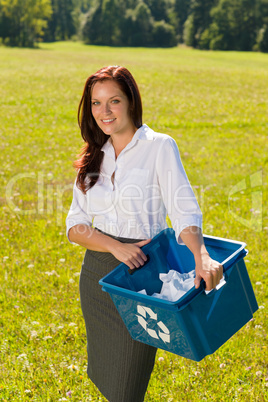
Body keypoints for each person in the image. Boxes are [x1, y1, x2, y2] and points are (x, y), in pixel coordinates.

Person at [66, 66, 223, 402]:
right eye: (96, 103)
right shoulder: (93, 154)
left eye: (114, 101)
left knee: (128, 384)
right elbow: (75, 225)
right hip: (96, 273)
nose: (104, 112)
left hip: (140, 275)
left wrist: (201, 255)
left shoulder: (159, 147)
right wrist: (112, 246)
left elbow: (183, 209)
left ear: (131, 102)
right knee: (108, 378)